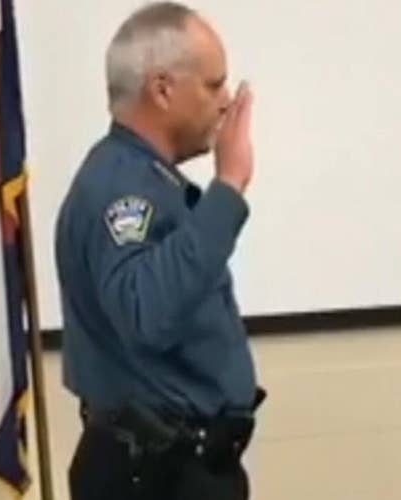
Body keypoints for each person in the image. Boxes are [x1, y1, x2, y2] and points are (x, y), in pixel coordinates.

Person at [54, 3, 264, 499]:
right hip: (152, 476)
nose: (225, 102)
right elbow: (147, 313)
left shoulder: (150, 181)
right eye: (214, 86)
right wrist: (229, 186)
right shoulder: (121, 190)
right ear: (163, 89)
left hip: (183, 469)